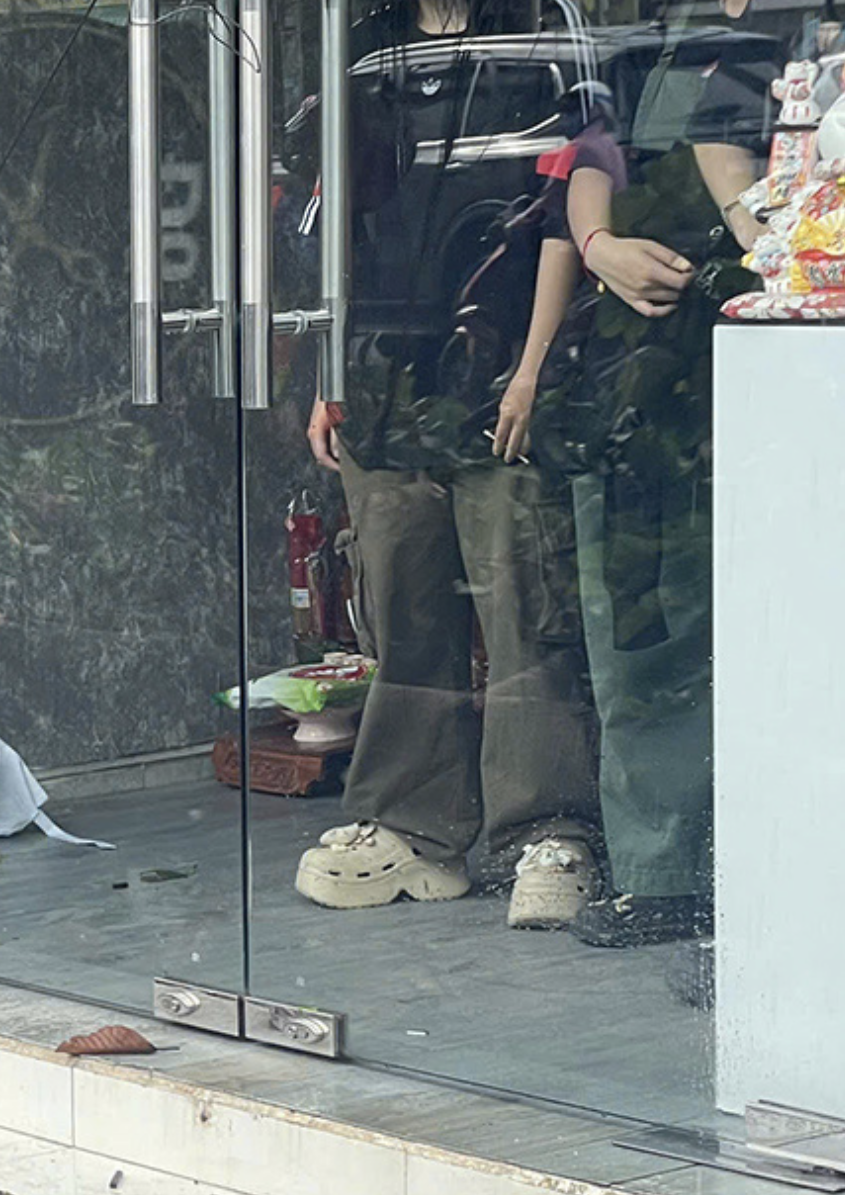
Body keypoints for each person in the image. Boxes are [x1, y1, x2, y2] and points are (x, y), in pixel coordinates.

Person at [293, 0, 603, 928]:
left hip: (507, 369)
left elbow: (570, 194)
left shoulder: (542, 21)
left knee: (523, 604)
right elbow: (336, 216)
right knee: (401, 599)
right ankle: (407, 823)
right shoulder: (366, 37)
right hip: (387, 373)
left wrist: (536, 367)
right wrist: (326, 377)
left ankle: (550, 825)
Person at [544, 0, 777, 949]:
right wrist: (601, 249)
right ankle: (661, 875)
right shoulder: (653, 30)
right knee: (636, 618)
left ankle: (760, 875)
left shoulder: (819, 21)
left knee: (761, 622)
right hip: (637, 372)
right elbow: (590, 152)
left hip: (764, 358)